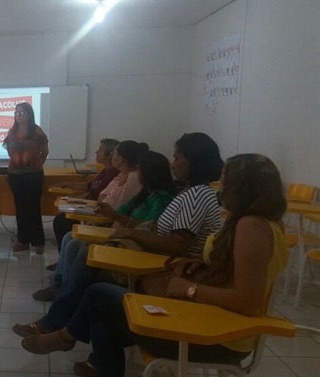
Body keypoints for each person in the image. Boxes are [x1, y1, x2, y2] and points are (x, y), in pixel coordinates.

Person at [22, 153, 288, 377]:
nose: (221, 188)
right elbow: (236, 273)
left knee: (99, 292)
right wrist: (202, 264)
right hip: (209, 320)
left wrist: (190, 289)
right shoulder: (256, 223)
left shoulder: (252, 227)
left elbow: (248, 301)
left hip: (218, 338)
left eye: (226, 182)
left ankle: (65, 337)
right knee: (103, 320)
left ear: (243, 186)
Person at [16, 132, 224, 338]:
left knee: (88, 261)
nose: (173, 164)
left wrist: (133, 233)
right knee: (83, 253)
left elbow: (176, 244)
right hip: (155, 256)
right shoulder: (191, 192)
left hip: (165, 267)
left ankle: (58, 324)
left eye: (177, 159)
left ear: (194, 161)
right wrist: (130, 229)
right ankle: (62, 322)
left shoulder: (197, 195)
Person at [33, 140, 146, 302]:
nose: (96, 152)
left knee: (69, 236)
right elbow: (102, 195)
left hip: (109, 223)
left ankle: (62, 285)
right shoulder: (119, 175)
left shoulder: (131, 178)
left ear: (120, 158)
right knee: (67, 233)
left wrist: (95, 202)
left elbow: (112, 204)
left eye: (113, 153)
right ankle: (60, 279)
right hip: (102, 214)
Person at [50, 138, 120, 256]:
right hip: (89, 206)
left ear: (109, 155)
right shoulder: (105, 170)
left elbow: (97, 196)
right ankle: (64, 257)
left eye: (100, 150)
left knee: (61, 221)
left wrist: (76, 201)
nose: (96, 152)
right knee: (61, 218)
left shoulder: (113, 173)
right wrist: (67, 184)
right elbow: (89, 186)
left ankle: (65, 257)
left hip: (94, 211)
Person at [3, 102, 49, 254]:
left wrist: (37, 164)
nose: (19, 115)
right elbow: (9, 150)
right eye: (16, 113)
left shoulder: (36, 131)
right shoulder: (12, 131)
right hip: (15, 174)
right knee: (20, 207)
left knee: (33, 206)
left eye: (22, 112)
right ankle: (23, 240)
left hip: (33, 174)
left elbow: (45, 150)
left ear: (29, 114)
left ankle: (38, 241)